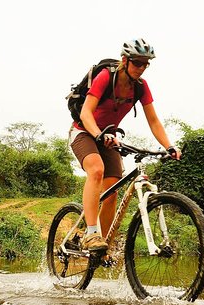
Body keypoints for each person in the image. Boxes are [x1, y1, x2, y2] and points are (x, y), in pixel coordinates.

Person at [69, 38, 181, 253]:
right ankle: (91, 234)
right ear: (125, 60)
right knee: (96, 170)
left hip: (108, 136)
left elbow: (154, 121)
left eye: (146, 64)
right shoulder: (106, 77)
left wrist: (170, 146)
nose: (141, 68)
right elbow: (86, 113)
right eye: (137, 62)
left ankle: (101, 244)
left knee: (112, 189)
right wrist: (98, 135)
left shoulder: (140, 87)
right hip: (84, 131)